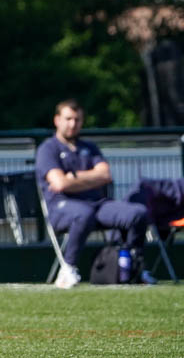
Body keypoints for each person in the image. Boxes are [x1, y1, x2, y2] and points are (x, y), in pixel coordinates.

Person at [35, 99, 155, 288]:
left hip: (97, 205)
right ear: (57, 120)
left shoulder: (89, 148)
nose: (73, 124)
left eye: (77, 120)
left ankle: (135, 268)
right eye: (68, 119)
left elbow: (105, 174)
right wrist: (90, 178)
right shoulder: (48, 149)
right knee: (83, 214)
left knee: (137, 213)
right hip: (62, 208)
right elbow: (59, 183)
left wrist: (73, 177)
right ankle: (68, 269)